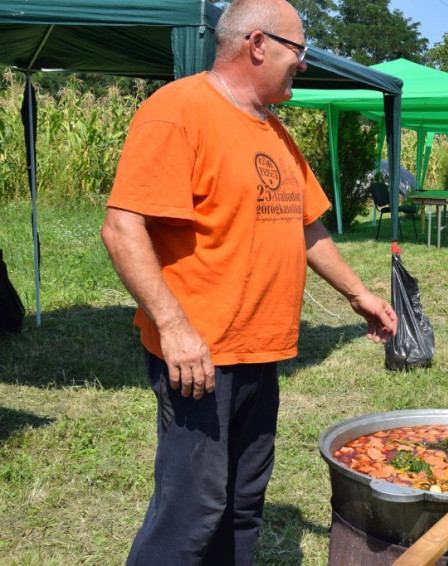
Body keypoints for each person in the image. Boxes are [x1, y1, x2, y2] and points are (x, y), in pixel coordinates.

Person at [100, 1, 398, 564]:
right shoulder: (179, 110)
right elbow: (121, 228)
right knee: (192, 510)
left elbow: (306, 226)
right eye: (298, 50)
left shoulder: (274, 131)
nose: (303, 64)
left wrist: (359, 294)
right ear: (257, 44)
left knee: (241, 504)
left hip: (261, 350)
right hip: (199, 356)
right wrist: (174, 327)